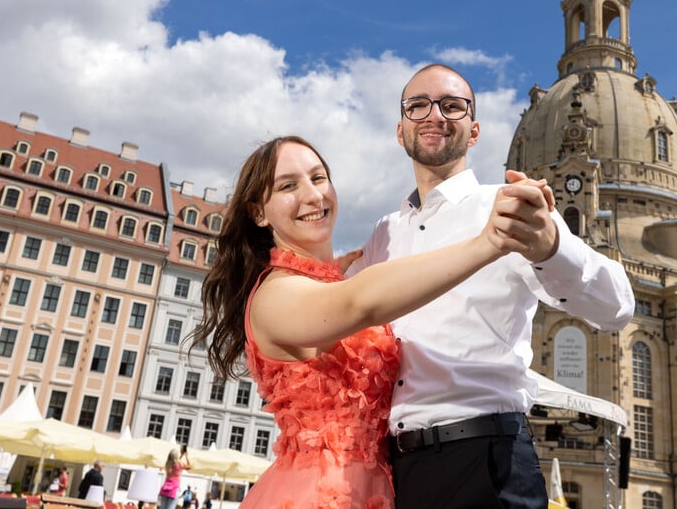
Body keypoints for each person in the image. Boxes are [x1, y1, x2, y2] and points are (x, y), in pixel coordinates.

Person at [192, 136, 546, 508]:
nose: (313, 195)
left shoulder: (325, 282)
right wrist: (487, 243)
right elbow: (360, 303)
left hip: (383, 487)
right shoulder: (273, 295)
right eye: (288, 186)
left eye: (319, 177)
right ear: (258, 213)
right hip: (318, 494)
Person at [348, 63, 635, 508]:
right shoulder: (382, 235)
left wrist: (551, 247)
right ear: (400, 128)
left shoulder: (507, 208)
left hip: (487, 461)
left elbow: (617, 307)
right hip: (394, 470)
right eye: (418, 105)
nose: (434, 115)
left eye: (451, 106)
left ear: (474, 130)